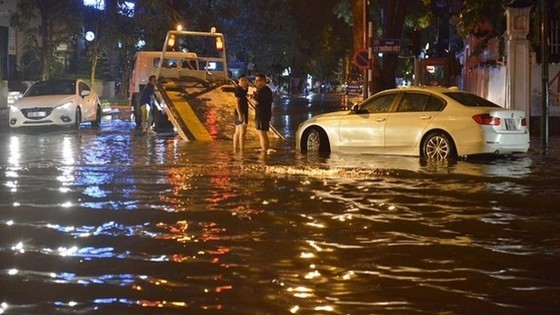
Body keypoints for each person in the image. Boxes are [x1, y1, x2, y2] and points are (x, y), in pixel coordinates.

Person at [252, 73, 273, 152]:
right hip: (265, 114)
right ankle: (265, 149)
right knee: (263, 133)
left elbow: (256, 102)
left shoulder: (263, 91)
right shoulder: (266, 90)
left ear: (264, 81)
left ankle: (264, 151)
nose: (257, 82)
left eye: (259, 81)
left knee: (262, 133)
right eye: (256, 81)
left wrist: (250, 98)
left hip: (262, 114)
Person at [233, 75, 249, 151]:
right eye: (242, 80)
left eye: (245, 80)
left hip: (244, 111)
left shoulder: (245, 89)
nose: (244, 82)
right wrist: (240, 114)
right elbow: (237, 103)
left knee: (238, 131)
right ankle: (242, 150)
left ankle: (235, 149)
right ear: (238, 80)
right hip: (240, 112)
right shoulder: (238, 89)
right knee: (242, 132)